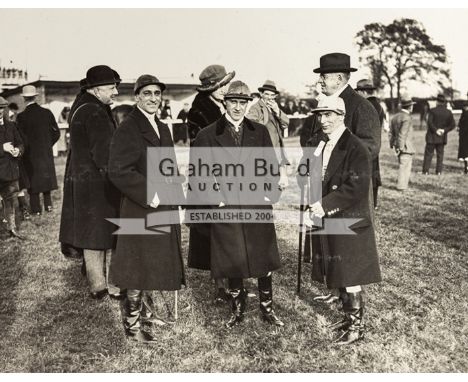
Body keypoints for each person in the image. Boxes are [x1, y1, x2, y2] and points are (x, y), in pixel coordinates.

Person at [190, 80, 284, 328]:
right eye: (233, 102)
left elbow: (271, 168)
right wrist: (216, 200)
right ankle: (237, 310)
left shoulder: (260, 131)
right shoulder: (207, 135)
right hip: (226, 207)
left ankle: (267, 309)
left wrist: (269, 194)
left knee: (262, 256)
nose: (238, 108)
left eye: (243, 103)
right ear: (224, 103)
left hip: (256, 206)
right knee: (232, 258)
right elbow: (198, 175)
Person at [108, 74, 185, 343]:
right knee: (136, 267)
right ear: (137, 97)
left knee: (153, 262)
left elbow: (169, 168)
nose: (153, 98)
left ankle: (147, 313)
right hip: (139, 207)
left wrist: (177, 195)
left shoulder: (163, 128)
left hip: (163, 205)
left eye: (157, 93)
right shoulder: (128, 128)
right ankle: (132, 326)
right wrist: (150, 192)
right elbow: (118, 171)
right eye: (147, 93)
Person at [300, 96, 381, 345]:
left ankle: (356, 329)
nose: (323, 120)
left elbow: (356, 187)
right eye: (320, 115)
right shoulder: (322, 144)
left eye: (329, 115)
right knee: (339, 271)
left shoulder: (355, 146)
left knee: (350, 275)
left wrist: (324, 205)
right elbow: (311, 173)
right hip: (330, 217)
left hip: (349, 220)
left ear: (341, 116)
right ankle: (348, 319)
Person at [59, 65, 122, 300]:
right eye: (111, 87)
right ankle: (114, 286)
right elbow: (103, 153)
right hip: (99, 184)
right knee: (111, 231)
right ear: (96, 90)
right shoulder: (95, 112)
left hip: (82, 182)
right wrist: (119, 179)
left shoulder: (81, 106)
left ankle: (97, 285)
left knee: (91, 233)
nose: (115, 92)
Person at [186, 64, 235, 303]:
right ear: (210, 89)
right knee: (214, 231)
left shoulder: (227, 105)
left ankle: (232, 279)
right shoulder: (199, 111)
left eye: (226, 84)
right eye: (221, 86)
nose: (225, 89)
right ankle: (221, 285)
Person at [314, 53, 381, 160]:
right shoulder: (324, 104)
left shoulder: (362, 106)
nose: (319, 81)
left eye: (323, 76)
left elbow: (370, 148)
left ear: (339, 79)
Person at [16, 85, 60, 215]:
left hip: (30, 154)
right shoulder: (47, 113)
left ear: (24, 99)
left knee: (32, 180)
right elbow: (56, 133)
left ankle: (36, 210)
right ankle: (49, 206)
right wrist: (47, 144)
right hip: (45, 152)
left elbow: (20, 138)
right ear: (36, 97)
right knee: (46, 178)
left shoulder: (21, 117)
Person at [247, 80, 290, 189]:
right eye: (266, 94)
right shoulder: (255, 108)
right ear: (261, 94)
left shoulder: (274, 108)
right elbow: (250, 125)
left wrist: (277, 110)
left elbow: (286, 123)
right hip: (264, 153)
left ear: (275, 96)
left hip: (277, 152)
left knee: (274, 188)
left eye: (272, 95)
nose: (269, 98)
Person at [355, 79, 385, 208]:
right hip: (375, 144)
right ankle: (374, 203)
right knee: (374, 173)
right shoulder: (379, 105)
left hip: (365, 144)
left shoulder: (364, 106)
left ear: (363, 92)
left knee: (365, 174)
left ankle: (367, 203)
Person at [0, 96, 26, 239]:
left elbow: (21, 143)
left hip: (9, 171)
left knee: (10, 200)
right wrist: (2, 148)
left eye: (1, 108)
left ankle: (12, 229)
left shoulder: (11, 125)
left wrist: (18, 150)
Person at [422, 94, 456, 175]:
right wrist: (444, 130)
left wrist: (436, 130)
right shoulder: (448, 112)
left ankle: (426, 171)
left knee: (428, 154)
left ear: (437, 101)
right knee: (440, 155)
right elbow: (452, 125)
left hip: (432, 136)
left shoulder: (432, 111)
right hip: (442, 137)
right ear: (444, 102)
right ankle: (439, 171)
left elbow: (429, 123)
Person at [389, 98, 416, 191]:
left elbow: (391, 132)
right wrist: (401, 147)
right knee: (405, 167)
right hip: (405, 146)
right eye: (412, 105)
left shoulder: (395, 117)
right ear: (410, 107)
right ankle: (401, 186)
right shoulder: (407, 118)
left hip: (398, 145)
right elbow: (402, 134)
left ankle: (402, 185)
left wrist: (392, 144)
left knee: (402, 165)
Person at [457, 93, 468, 174]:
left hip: (464, 135)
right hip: (463, 135)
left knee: (465, 152)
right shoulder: (464, 113)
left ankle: (466, 168)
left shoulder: (465, 113)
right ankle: (466, 168)